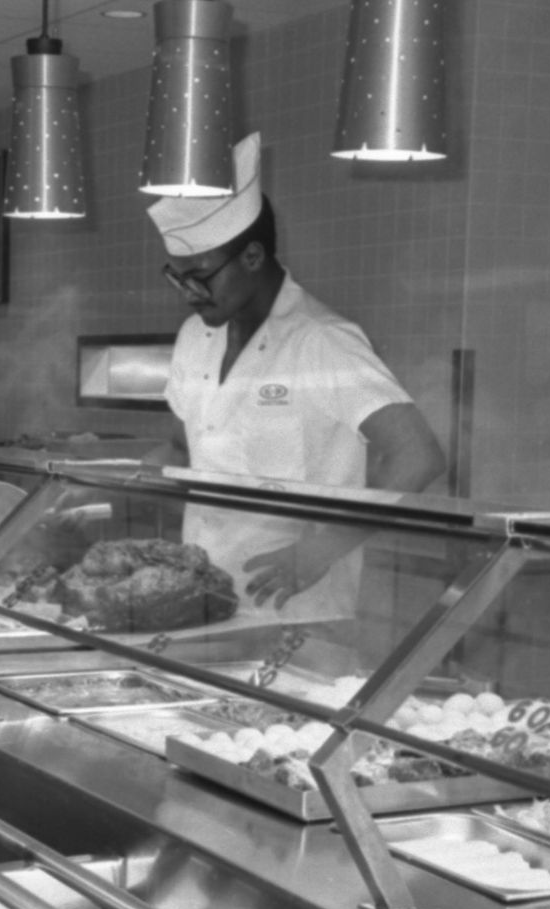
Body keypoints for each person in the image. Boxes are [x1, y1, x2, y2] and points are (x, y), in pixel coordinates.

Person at [145, 133, 446, 620]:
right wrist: (96, 487)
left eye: (199, 275)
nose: (188, 293)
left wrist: (321, 552)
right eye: (177, 277)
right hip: (199, 598)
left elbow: (418, 454)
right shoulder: (193, 338)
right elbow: (181, 451)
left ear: (252, 257)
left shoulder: (321, 341)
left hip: (297, 611)